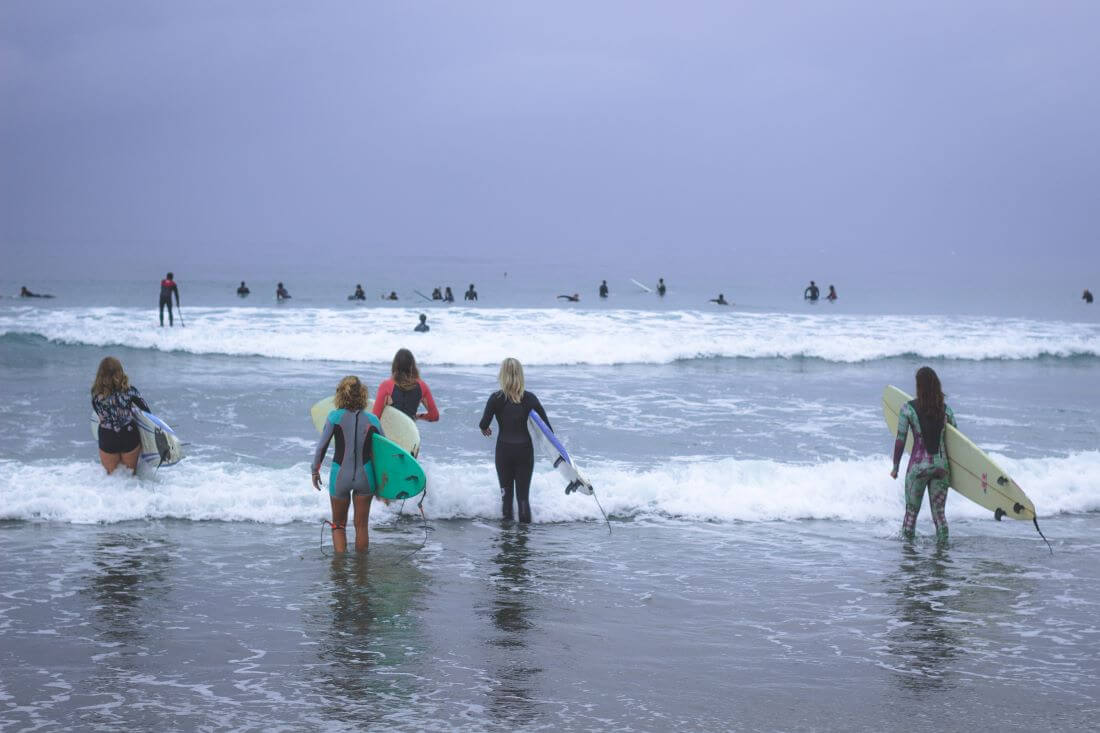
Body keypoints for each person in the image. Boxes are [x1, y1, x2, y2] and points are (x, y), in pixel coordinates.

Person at [312, 376, 383, 553]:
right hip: (366, 477)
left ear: (340, 395)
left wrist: (315, 470)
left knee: (338, 526)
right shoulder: (373, 420)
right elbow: (384, 451)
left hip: (340, 476)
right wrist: (384, 481)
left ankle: (340, 571)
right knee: (361, 526)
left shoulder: (334, 417)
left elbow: (321, 448)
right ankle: (361, 571)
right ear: (363, 395)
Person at [479, 358, 551, 523]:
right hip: (524, 451)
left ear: (502, 375)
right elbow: (547, 429)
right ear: (520, 375)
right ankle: (522, 541)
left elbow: (483, 423)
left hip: (504, 451)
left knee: (506, 497)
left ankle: (507, 541)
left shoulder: (495, 398)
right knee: (523, 498)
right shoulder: (530, 398)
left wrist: (485, 429)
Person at [890, 366, 956, 543]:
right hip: (941, 468)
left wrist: (895, 467)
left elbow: (900, 440)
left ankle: (909, 558)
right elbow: (956, 443)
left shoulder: (907, 409)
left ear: (919, 385)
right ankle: (942, 555)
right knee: (940, 517)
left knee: (911, 516)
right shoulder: (947, 411)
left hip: (918, 468)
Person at [91, 356, 151, 475]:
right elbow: (147, 412)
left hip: (107, 437)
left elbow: (99, 413)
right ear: (120, 372)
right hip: (128, 435)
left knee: (112, 479)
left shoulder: (95, 393)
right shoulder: (131, 391)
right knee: (130, 478)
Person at [373, 349, 440, 453]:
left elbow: (374, 418)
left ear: (395, 366)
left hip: (390, 438)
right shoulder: (422, 386)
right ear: (412, 366)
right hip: (410, 438)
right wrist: (417, 416)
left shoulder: (386, 386)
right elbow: (434, 416)